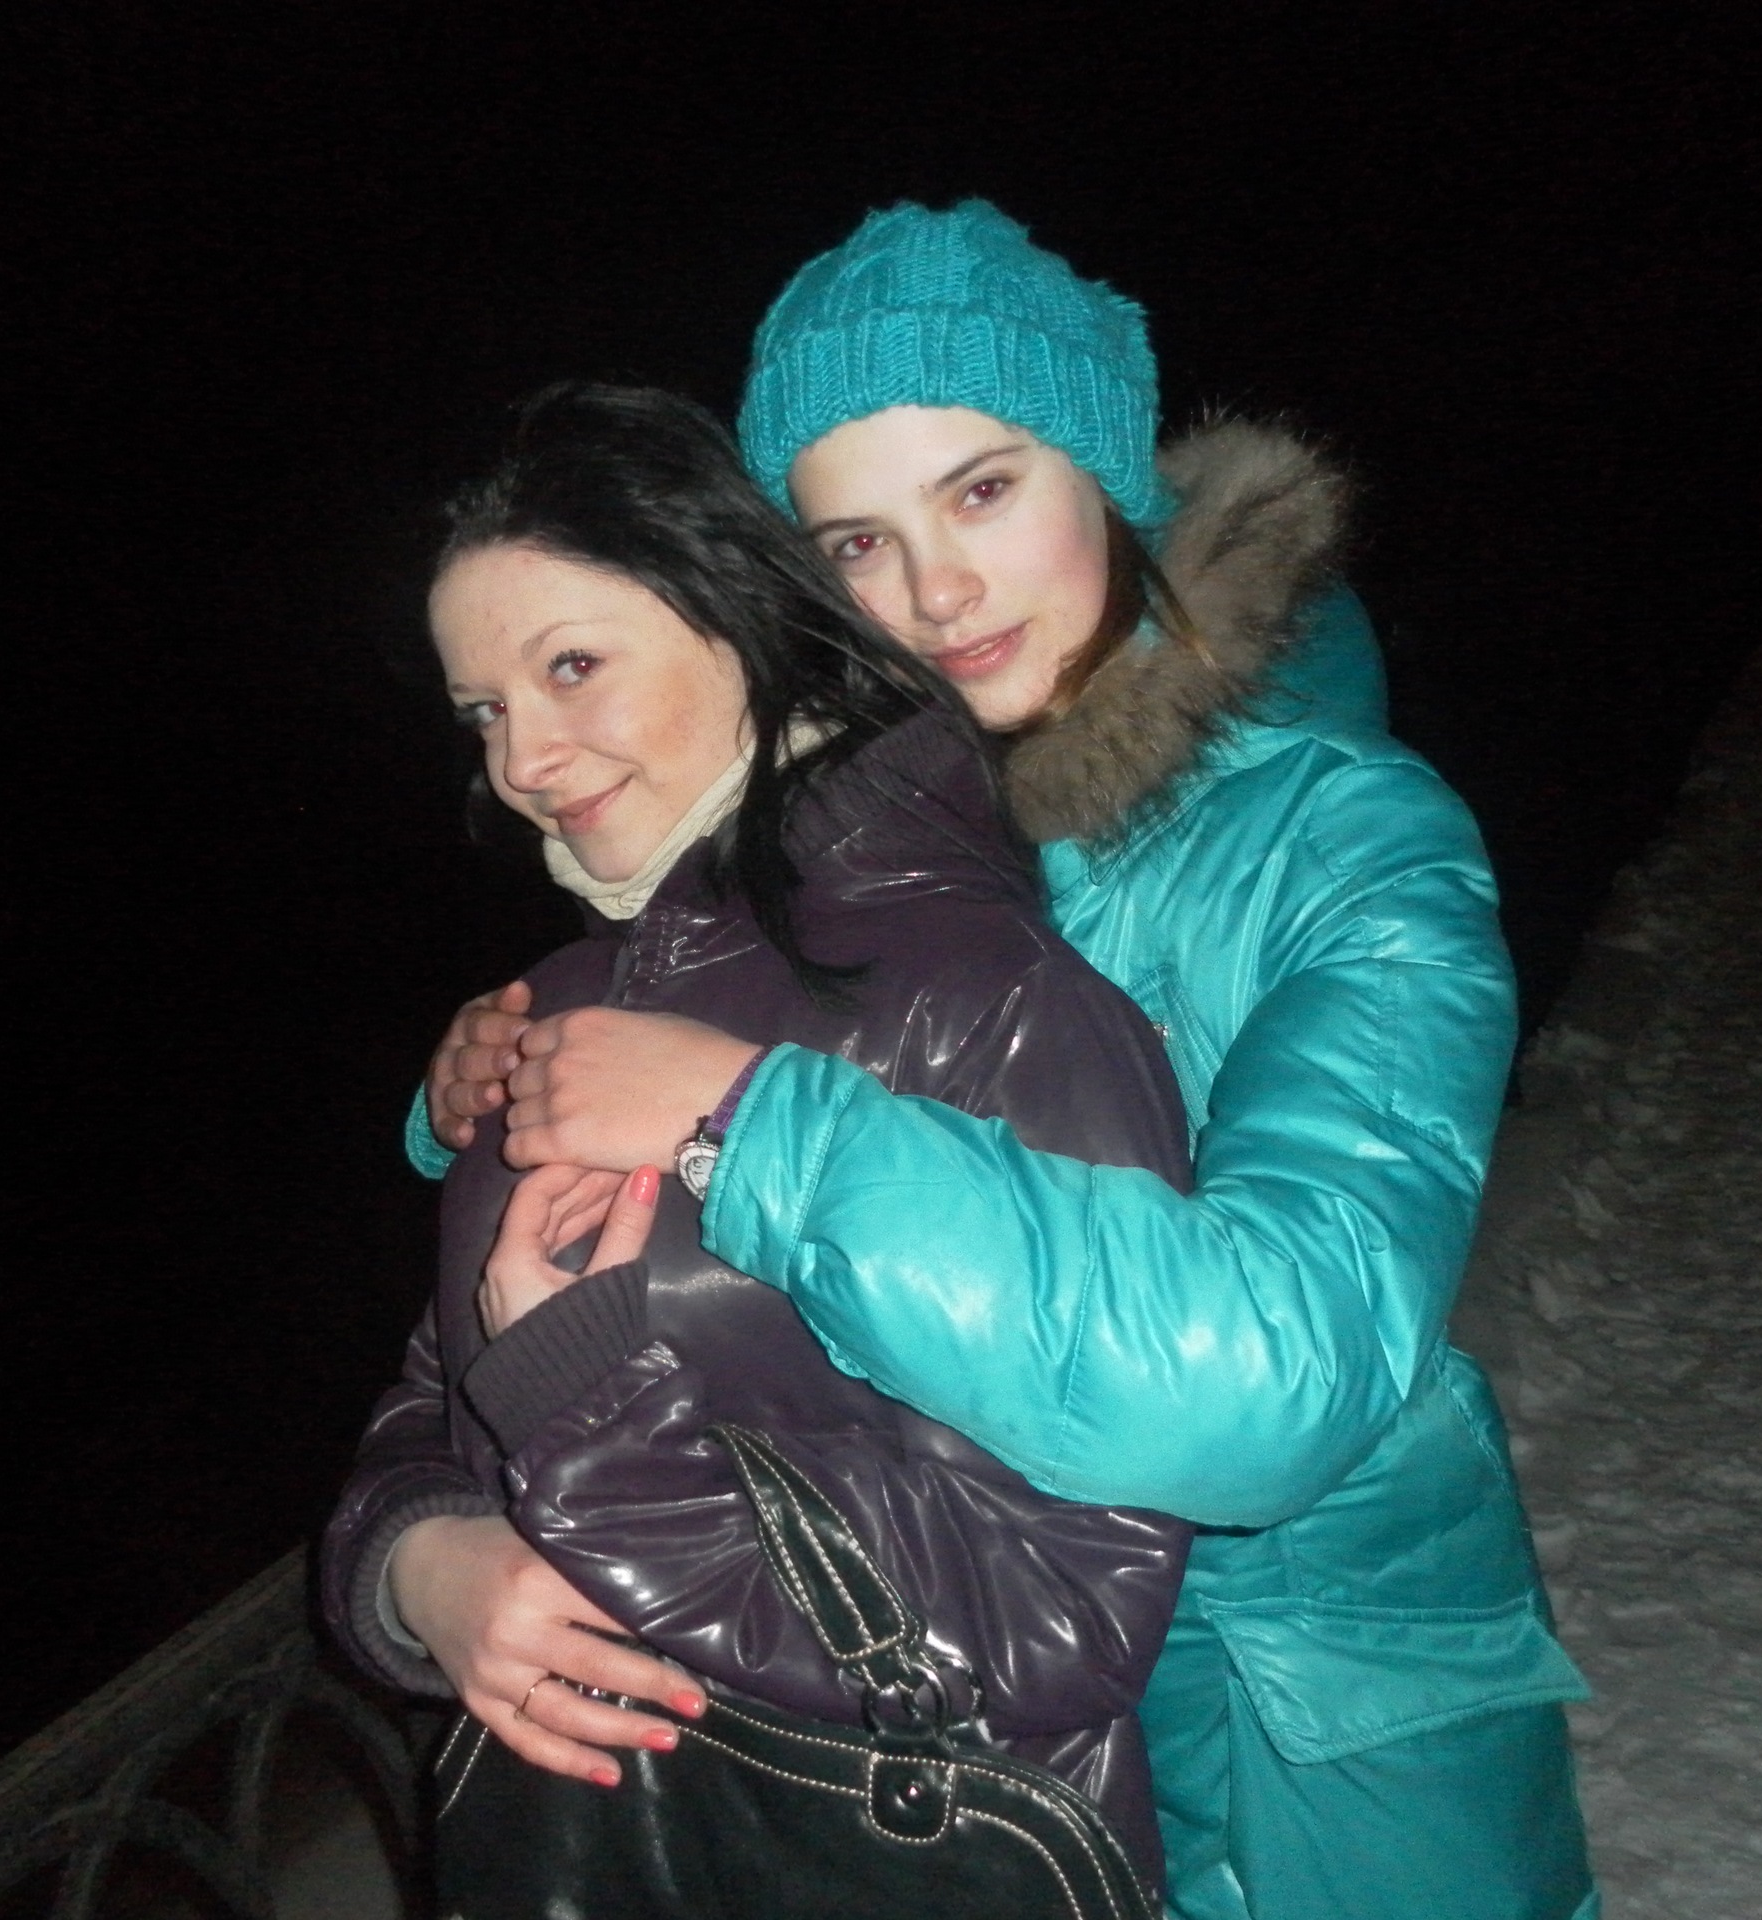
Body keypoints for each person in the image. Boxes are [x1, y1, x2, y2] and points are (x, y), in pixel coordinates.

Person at [414, 205, 1599, 1920]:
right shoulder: (860, 855)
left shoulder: (1348, 843)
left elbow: (1286, 1371)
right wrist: (422, 1532)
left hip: (1316, 1726)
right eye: (859, 541)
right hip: (978, 1750)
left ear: (1105, 473)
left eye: (982, 491)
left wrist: (752, 1119)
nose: (938, 591)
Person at [319, 382, 1205, 1897]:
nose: (521, 760)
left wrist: (601, 1439)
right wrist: (419, 1563)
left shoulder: (983, 996)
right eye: (485, 710)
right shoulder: (561, 1004)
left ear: (740, 621)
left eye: (572, 666)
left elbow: (1070, 1606)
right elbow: (437, 1392)